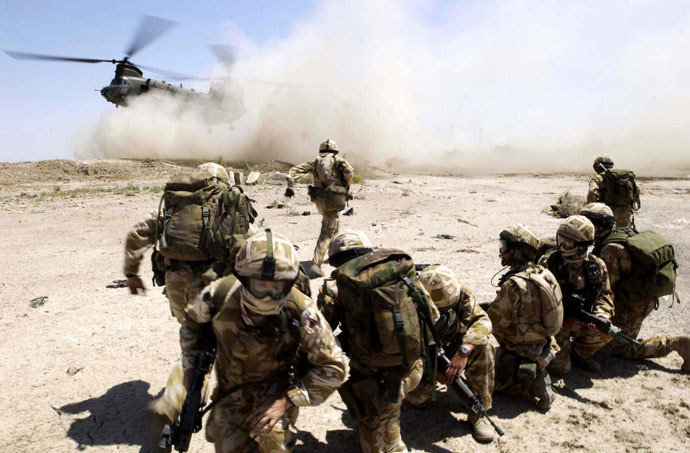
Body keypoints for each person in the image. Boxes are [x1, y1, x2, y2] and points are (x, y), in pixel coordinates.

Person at [123, 162, 257, 449]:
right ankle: (176, 400)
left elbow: (137, 235)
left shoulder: (174, 206)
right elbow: (252, 244)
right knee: (213, 346)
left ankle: (182, 398)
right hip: (213, 284)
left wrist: (132, 273)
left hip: (176, 282)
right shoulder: (227, 204)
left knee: (192, 341)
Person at [180, 229, 347, 452]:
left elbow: (335, 367)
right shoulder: (220, 294)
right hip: (230, 394)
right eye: (261, 287)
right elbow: (191, 324)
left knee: (273, 440)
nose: (269, 297)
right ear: (243, 279)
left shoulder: (301, 309)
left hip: (275, 396)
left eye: (278, 287)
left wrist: (288, 400)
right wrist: (192, 373)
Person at [319, 229, 438, 453]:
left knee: (372, 422)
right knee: (392, 409)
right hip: (413, 368)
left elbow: (323, 334)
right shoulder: (399, 276)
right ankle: (395, 441)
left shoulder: (335, 288)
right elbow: (433, 315)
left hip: (370, 378)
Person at [580, 203, 690, 370]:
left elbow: (604, 289)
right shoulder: (623, 233)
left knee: (621, 348)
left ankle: (675, 344)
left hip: (636, 303)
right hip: (642, 294)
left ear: (598, 225)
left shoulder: (610, 249)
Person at [405, 264, 496, 443]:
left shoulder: (460, 293)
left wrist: (464, 350)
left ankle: (479, 411)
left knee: (483, 347)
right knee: (416, 399)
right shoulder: (408, 305)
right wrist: (435, 372)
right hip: (422, 356)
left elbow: (483, 321)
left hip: (453, 346)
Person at [487, 224, 563, 411]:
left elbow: (494, 321)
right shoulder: (543, 273)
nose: (501, 252)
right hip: (544, 342)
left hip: (520, 349)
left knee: (481, 380)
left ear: (518, 253)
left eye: (505, 248)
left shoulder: (514, 284)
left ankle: (530, 379)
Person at [539, 215, 615, 375]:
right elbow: (537, 303)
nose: (562, 245)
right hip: (554, 324)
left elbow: (605, 295)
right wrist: (565, 322)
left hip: (582, 321)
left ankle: (579, 353)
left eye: (567, 242)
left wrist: (601, 315)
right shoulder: (549, 262)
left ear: (582, 246)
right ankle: (562, 352)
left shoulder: (597, 266)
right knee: (560, 369)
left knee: (605, 330)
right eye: (561, 239)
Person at [285, 139, 354, 277]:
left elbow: (292, 171)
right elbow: (350, 173)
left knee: (334, 224)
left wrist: (290, 186)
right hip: (333, 198)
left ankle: (336, 254)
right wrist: (344, 186)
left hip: (320, 199)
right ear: (335, 150)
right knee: (327, 231)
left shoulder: (315, 163)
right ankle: (316, 263)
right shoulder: (339, 161)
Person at [586, 155, 640, 228]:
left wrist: (591, 208)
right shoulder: (623, 177)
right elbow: (637, 192)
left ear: (597, 167)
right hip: (626, 212)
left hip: (608, 213)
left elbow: (592, 192)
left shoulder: (599, 178)